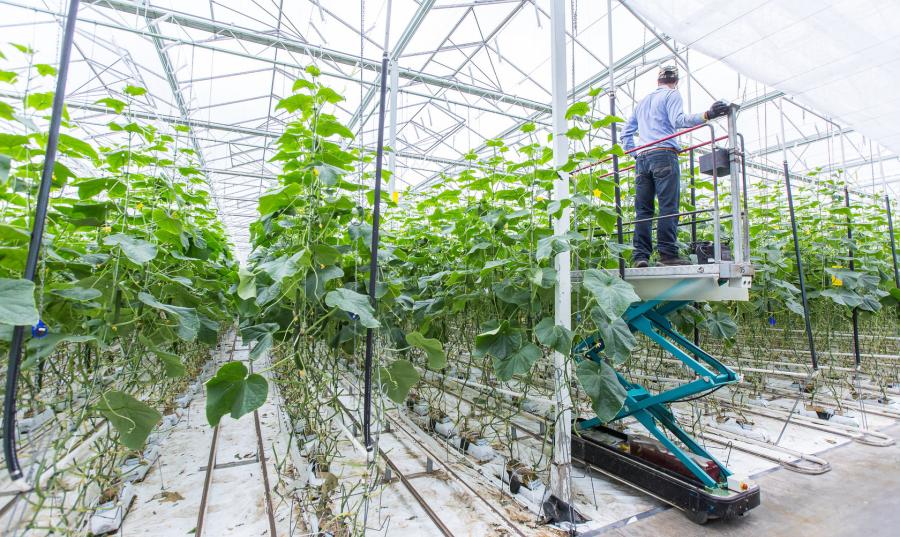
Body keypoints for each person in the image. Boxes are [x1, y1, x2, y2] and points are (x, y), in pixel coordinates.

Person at [621, 65, 729, 267]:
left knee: (643, 211)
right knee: (668, 206)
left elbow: (626, 133)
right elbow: (678, 120)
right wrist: (708, 114)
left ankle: (640, 256)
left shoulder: (642, 102)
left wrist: (635, 155)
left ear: (658, 81)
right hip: (664, 154)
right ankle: (668, 254)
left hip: (643, 159)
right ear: (676, 81)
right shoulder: (672, 95)